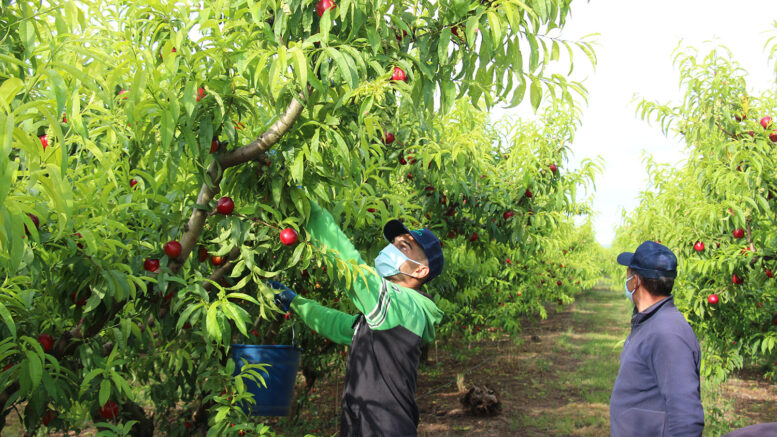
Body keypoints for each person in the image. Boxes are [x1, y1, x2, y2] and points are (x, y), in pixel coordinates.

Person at [271, 201, 444, 437]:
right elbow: (338, 325)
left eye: (403, 247)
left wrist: (308, 208)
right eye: (393, 244)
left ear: (420, 271)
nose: (391, 248)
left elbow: (350, 265)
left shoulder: (403, 305)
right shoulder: (390, 315)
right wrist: (295, 302)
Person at [610, 241, 705, 437]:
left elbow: (686, 418)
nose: (626, 280)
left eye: (628, 274)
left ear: (635, 281)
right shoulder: (651, 323)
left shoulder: (668, 334)